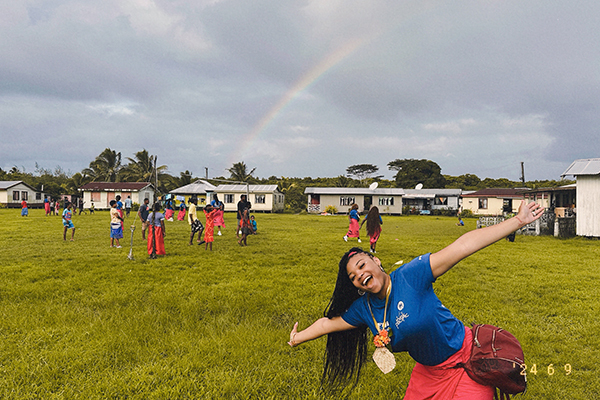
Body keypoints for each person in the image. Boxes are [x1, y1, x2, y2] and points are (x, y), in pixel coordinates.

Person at [288, 200, 545, 399]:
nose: (360, 275)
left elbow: (463, 246)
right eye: (354, 276)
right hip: (429, 372)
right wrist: (297, 338)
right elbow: (327, 324)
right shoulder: (364, 309)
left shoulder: (411, 275)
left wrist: (518, 220)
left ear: (375, 261)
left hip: (467, 359)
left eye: (362, 265)